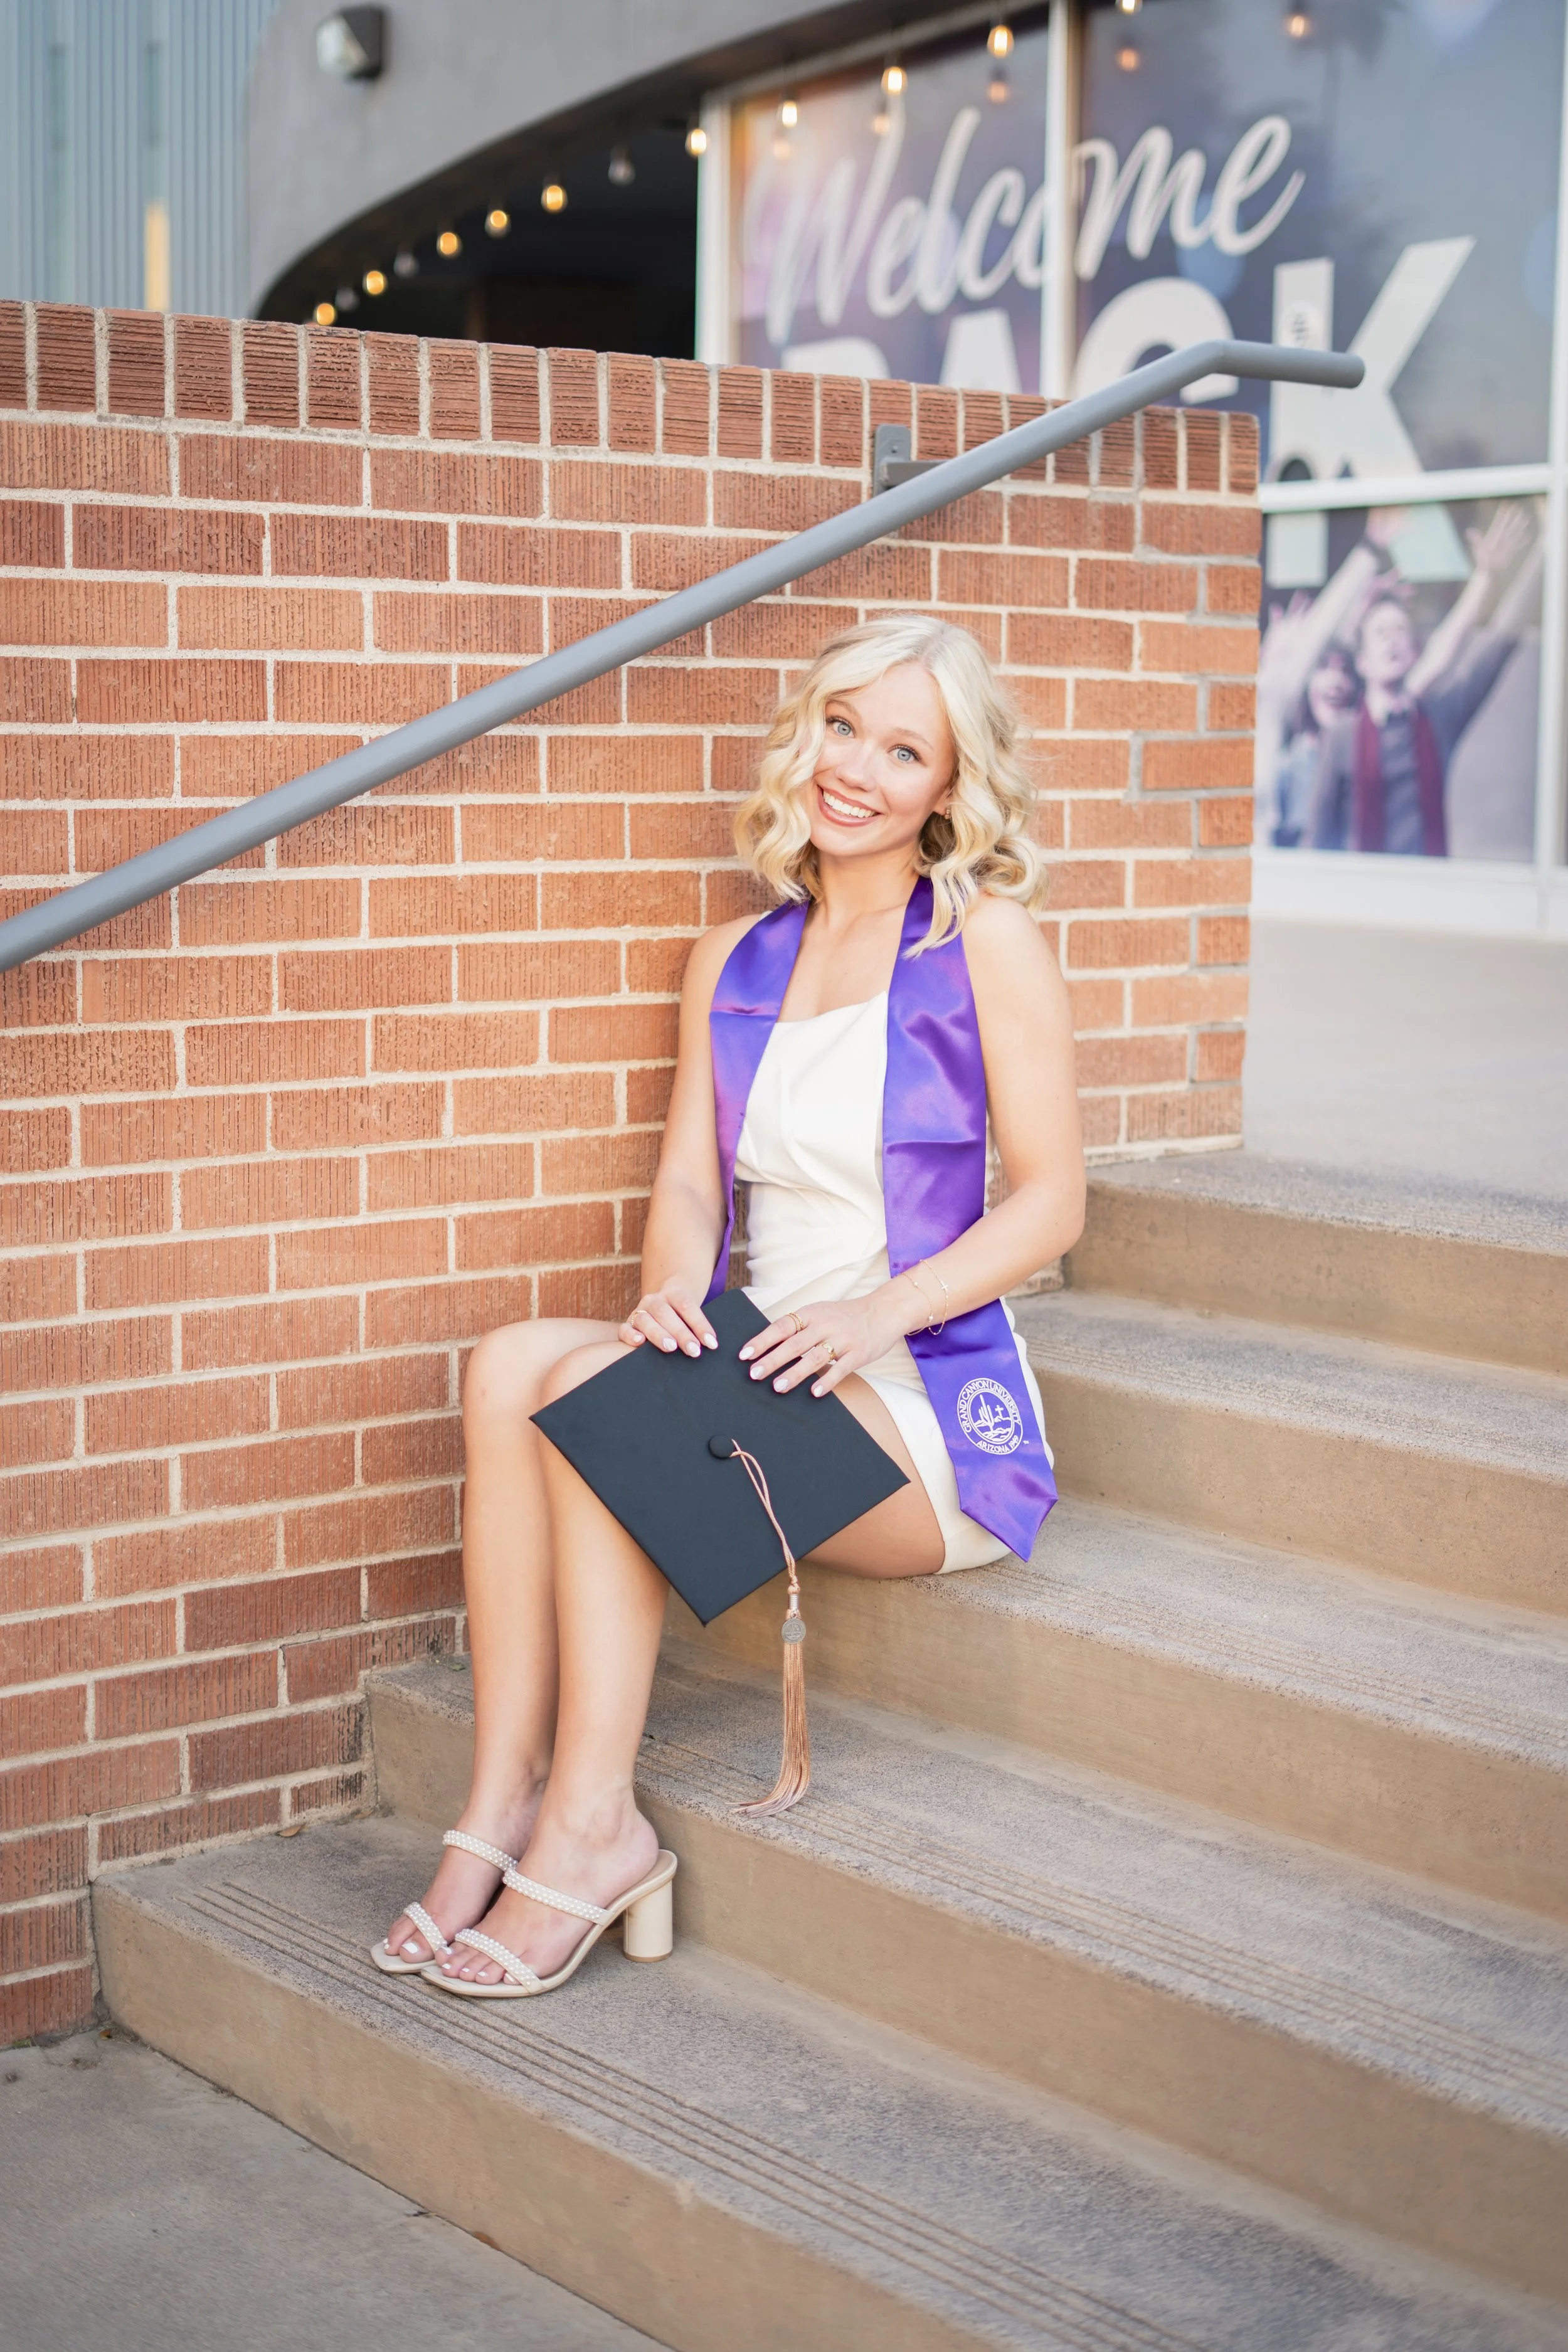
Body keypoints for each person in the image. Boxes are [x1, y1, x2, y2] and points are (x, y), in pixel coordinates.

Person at [371, 613, 1086, 1997]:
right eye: (841, 728)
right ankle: (502, 1798)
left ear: (947, 789)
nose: (858, 771)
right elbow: (690, 1188)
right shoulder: (736, 959)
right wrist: (664, 1297)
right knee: (513, 1359)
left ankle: (594, 1827)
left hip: (920, 1395)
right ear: (805, 733)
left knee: (590, 1402)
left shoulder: (981, 944)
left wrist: (878, 1319)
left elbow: (1051, 1202)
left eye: (902, 750)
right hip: (772, 1354)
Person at [1310, 506, 1537, 857]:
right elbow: (1320, 836)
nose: (1393, 640)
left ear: (1414, 653)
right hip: (1358, 899)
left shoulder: (1437, 718)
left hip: (1427, 893)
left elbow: (1499, 643)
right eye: (1381, 632)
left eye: (1401, 630)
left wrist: (1544, 551)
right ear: (1364, 662)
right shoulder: (1342, 737)